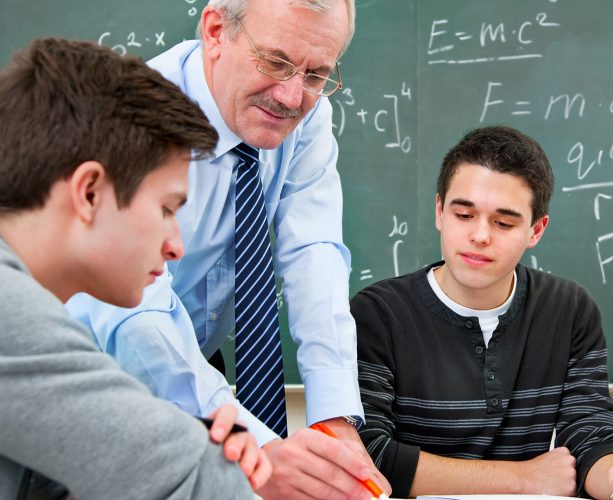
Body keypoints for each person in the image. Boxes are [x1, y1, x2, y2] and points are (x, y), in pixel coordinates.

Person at [64, 0, 389, 498]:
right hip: (92, 360)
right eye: (275, 62)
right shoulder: (133, 117)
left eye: (317, 74)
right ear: (216, 31)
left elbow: (314, 253)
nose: (291, 95)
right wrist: (258, 449)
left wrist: (334, 421)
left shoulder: (306, 109)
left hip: (197, 356)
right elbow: (136, 321)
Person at [0, 38, 271, 499]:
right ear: (89, 193)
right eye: (167, 208)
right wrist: (216, 460)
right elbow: (207, 485)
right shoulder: (12, 314)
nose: (176, 247)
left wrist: (197, 444)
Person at [352, 126, 613, 499]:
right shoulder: (378, 314)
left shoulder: (569, 310)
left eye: (503, 223)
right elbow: (367, 455)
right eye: (464, 215)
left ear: (536, 230)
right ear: (440, 212)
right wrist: (523, 478)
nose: (481, 236)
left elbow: (591, 430)